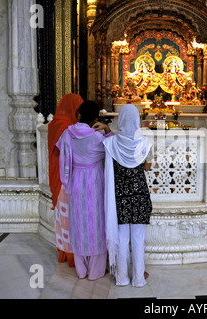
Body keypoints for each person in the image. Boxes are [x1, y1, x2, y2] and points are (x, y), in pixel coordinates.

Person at [56, 100, 113, 280]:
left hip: (76, 181)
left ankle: (81, 270)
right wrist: (107, 130)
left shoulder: (67, 133)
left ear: (79, 114)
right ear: (95, 117)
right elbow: (114, 149)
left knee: (79, 223)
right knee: (95, 223)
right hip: (94, 181)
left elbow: (62, 151)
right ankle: (95, 271)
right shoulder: (96, 137)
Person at [103, 104, 153, 287]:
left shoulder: (111, 143)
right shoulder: (145, 142)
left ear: (121, 119)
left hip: (120, 197)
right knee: (138, 238)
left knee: (122, 238)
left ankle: (122, 278)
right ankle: (139, 279)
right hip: (140, 195)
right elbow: (147, 167)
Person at [48, 93, 84, 267]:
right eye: (77, 110)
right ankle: (71, 256)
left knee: (62, 218)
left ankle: (63, 253)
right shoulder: (68, 128)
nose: (78, 114)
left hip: (56, 175)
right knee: (69, 218)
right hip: (66, 179)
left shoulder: (54, 124)